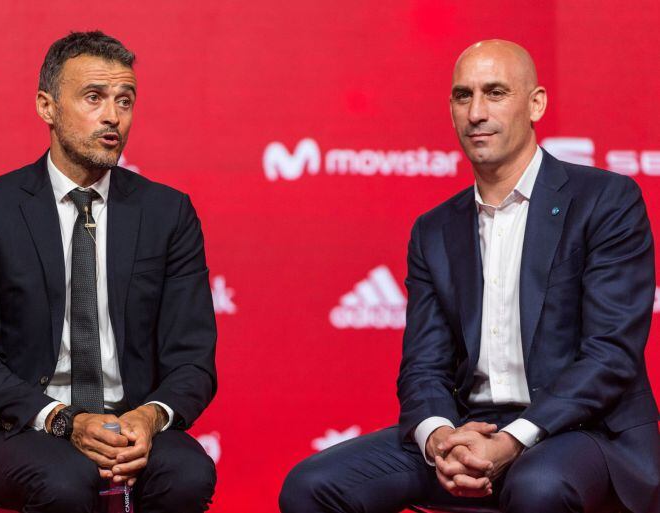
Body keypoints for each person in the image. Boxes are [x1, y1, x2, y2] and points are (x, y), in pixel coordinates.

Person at [279, 40, 660, 513]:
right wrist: (440, 436)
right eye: (464, 96)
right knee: (310, 486)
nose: (476, 111)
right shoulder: (434, 229)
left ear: (535, 103)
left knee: (537, 488)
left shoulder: (606, 201)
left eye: (495, 93)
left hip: (583, 431)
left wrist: (512, 442)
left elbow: (610, 355)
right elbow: (423, 365)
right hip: (472, 430)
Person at [0, 31, 217, 513]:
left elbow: (193, 359)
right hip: (22, 425)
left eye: (124, 100)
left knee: (189, 473)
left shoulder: (168, 213)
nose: (113, 116)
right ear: (47, 106)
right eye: (94, 97)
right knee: (65, 481)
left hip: (128, 422)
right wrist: (66, 421)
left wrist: (149, 418)